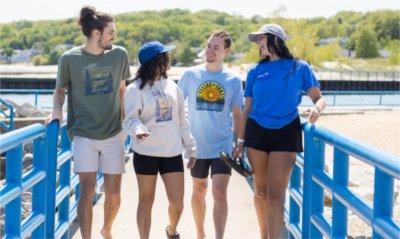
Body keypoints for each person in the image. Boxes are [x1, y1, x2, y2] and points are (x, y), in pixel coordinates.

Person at [235, 23, 326, 238]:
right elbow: (247, 108)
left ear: (275, 39)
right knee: (260, 192)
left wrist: (316, 110)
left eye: (261, 38)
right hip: (257, 132)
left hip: (286, 131)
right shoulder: (255, 71)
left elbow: (319, 98)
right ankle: (264, 234)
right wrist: (240, 141)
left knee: (276, 196)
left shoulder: (300, 67)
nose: (258, 43)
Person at [47, 6, 131, 239]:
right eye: (110, 32)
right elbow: (60, 89)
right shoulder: (69, 58)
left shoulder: (119, 55)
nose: (113, 36)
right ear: (96, 33)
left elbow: (123, 90)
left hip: (114, 132)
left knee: (113, 194)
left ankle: (107, 229)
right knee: (87, 190)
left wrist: (128, 124)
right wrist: (56, 110)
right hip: (83, 134)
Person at [123, 41, 197, 239]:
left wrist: (190, 147)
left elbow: (182, 119)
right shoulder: (135, 89)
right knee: (146, 201)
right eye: (165, 55)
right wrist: (138, 129)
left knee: (177, 203)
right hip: (145, 153)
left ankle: (171, 230)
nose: (169, 59)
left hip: (171, 153)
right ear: (157, 60)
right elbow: (130, 119)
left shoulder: (172, 86)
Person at [178, 30, 244, 239]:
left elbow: (237, 113)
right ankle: (200, 234)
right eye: (208, 45)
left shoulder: (233, 80)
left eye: (216, 47)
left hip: (222, 146)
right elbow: (176, 105)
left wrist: (239, 142)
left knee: (219, 192)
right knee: (199, 190)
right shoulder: (191, 75)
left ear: (226, 51)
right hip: (196, 146)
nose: (210, 50)